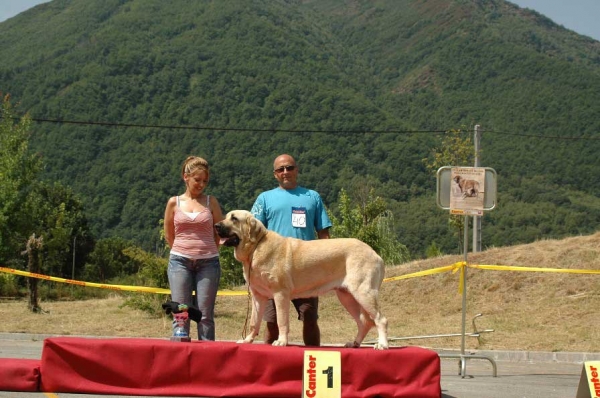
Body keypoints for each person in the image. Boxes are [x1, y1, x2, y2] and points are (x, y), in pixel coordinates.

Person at [251, 154, 332, 347]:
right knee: (272, 324)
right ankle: (269, 367)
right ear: (275, 174)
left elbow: (324, 235)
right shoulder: (264, 199)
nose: (285, 172)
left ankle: (313, 360)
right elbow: (250, 233)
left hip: (306, 270)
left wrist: (328, 266)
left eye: (289, 168)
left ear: (297, 170)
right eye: (281, 169)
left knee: (310, 319)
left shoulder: (312, 197)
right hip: (272, 273)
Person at [163, 156, 224, 340]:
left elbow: (220, 230)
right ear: (185, 177)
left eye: (205, 181)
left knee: (205, 315)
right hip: (180, 261)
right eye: (197, 180)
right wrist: (182, 251)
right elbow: (169, 233)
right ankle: (180, 356)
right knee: (181, 314)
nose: (201, 184)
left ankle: (208, 357)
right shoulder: (174, 203)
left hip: (209, 263)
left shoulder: (210, 202)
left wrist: (209, 249)